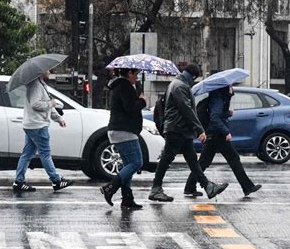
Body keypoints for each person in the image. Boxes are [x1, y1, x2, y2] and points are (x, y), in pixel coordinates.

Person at [148, 64, 229, 202]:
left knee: (192, 160)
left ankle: (207, 186)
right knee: (167, 159)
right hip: (177, 128)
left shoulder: (177, 84)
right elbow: (186, 109)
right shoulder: (180, 86)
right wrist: (199, 129)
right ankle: (155, 189)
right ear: (193, 76)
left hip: (181, 129)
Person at [184, 85, 262, 197]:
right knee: (233, 158)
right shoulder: (218, 99)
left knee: (204, 162)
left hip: (213, 134)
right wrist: (226, 132)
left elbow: (216, 114)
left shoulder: (220, 98)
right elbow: (214, 117)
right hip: (217, 134)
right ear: (225, 88)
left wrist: (228, 113)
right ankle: (247, 187)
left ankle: (189, 187)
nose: (232, 88)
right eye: (230, 86)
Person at [13, 70, 74, 192]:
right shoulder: (36, 85)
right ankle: (56, 181)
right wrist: (50, 103)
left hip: (33, 124)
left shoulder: (40, 84)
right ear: (40, 72)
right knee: (45, 154)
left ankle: (19, 182)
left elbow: (47, 106)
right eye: (47, 70)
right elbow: (36, 104)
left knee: (27, 154)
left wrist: (58, 118)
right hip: (38, 125)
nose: (49, 72)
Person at [100, 68, 147, 210]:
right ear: (130, 73)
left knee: (128, 165)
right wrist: (142, 101)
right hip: (125, 131)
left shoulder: (119, 86)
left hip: (118, 130)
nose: (137, 77)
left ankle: (127, 199)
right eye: (136, 74)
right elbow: (130, 108)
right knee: (137, 162)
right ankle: (110, 187)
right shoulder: (124, 86)